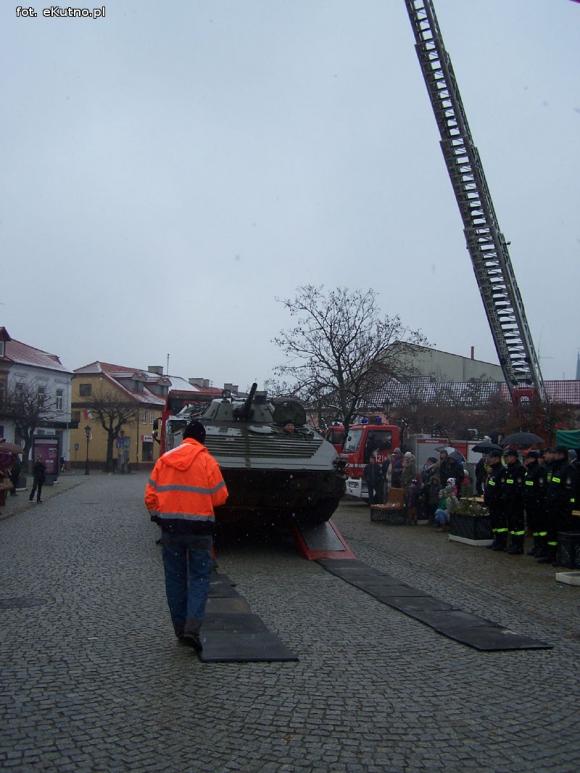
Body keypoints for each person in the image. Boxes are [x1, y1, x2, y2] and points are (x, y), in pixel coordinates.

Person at [145, 420, 228, 651]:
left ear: (184, 438)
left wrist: (159, 517)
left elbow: (150, 496)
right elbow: (221, 497)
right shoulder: (207, 461)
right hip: (200, 531)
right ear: (202, 439)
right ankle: (193, 628)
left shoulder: (165, 460)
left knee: (175, 579)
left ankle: (180, 629)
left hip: (171, 530)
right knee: (200, 577)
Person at [537, 446, 577, 566]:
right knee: (551, 532)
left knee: (560, 532)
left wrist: (563, 504)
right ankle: (551, 555)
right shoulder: (554, 468)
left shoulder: (568, 469)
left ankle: (560, 556)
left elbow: (569, 490)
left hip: (562, 508)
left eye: (555, 453)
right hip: (551, 506)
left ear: (561, 455)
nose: (552, 456)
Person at [522, 450, 547, 558]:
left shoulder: (539, 470)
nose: (526, 460)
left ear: (534, 459)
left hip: (538, 504)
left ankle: (541, 548)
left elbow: (541, 488)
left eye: (528, 458)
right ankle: (536, 546)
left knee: (540, 528)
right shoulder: (529, 471)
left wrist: (537, 500)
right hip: (530, 503)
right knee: (533, 527)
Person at [501, 449, 526, 555]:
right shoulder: (508, 469)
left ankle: (518, 545)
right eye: (506, 457)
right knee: (511, 525)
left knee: (518, 525)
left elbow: (518, 487)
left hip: (516, 502)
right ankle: (513, 544)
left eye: (509, 456)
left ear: (515, 457)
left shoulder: (519, 469)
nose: (507, 459)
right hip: (508, 501)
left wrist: (513, 496)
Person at [484, 450, 507, 550]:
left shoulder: (501, 471)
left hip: (498, 502)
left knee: (500, 524)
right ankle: (496, 541)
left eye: (491, 457)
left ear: (497, 458)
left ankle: (501, 542)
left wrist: (497, 498)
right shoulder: (493, 471)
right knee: (494, 523)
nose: (489, 459)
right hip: (492, 502)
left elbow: (501, 488)